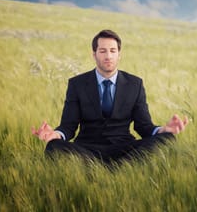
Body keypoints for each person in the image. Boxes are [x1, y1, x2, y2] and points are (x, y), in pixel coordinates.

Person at [32, 29, 188, 164]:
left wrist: (163, 130)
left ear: (119, 54)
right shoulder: (77, 84)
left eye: (113, 51)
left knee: (168, 140)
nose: (108, 56)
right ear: (94, 54)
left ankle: (105, 168)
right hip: (87, 149)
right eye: (103, 51)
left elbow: (144, 126)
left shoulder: (135, 84)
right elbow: (68, 126)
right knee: (54, 146)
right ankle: (118, 169)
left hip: (124, 149)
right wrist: (56, 135)